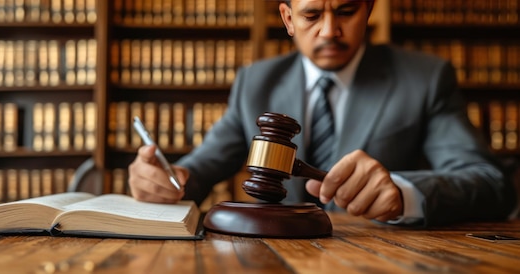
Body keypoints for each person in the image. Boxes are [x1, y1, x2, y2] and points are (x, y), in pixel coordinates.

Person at [128, 0, 517, 226]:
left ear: (368, 10)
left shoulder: (425, 79)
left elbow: (489, 183)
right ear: (288, 19)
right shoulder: (256, 83)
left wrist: (405, 193)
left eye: (346, 11)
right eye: (312, 15)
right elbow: (203, 166)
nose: (330, 31)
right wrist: (168, 179)